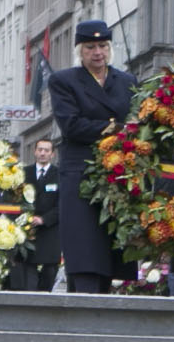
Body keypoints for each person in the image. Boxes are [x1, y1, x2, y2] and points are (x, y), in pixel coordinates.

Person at [49, 19, 138, 293]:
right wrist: (116, 128)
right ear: (80, 50)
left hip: (118, 173)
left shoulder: (127, 81)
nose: (97, 52)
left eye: (102, 46)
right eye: (90, 47)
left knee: (111, 249)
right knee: (85, 251)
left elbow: (137, 120)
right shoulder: (64, 81)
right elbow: (72, 125)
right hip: (81, 172)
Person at [16, 138, 66, 292]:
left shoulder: (59, 174)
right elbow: (15, 199)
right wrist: (26, 218)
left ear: (52, 154)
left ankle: (45, 301)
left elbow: (63, 203)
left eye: (46, 150)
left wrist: (44, 219)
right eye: (40, 150)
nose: (42, 153)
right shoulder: (23, 173)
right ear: (34, 151)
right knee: (28, 271)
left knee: (49, 271)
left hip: (50, 230)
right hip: (27, 230)